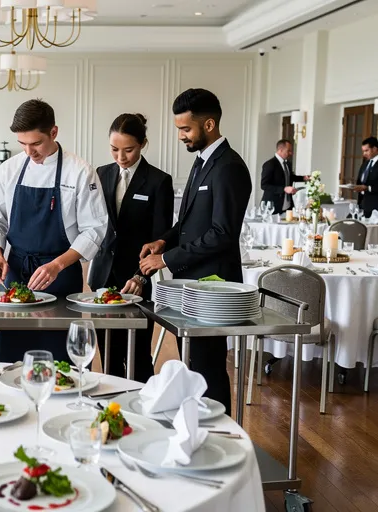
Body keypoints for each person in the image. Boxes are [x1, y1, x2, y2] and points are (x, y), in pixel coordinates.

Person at [139, 89, 252, 413]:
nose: (180, 136)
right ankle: (195, 428)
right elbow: (189, 222)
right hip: (193, 285)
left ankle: (221, 435)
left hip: (215, 287)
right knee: (193, 363)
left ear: (210, 124)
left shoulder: (229, 166)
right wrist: (165, 240)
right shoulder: (202, 162)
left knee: (209, 367)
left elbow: (222, 234)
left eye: (185, 129)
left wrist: (166, 259)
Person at [0, 99, 108, 363]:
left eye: (36, 143)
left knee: (59, 362)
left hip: (60, 274)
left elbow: (94, 230)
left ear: (54, 132)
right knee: (12, 359)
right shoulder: (9, 170)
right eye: (22, 144)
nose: (29, 151)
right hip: (16, 272)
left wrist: (57, 265)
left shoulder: (80, 172)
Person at [88, 113, 173, 382]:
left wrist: (140, 275)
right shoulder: (100, 174)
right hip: (103, 275)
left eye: (128, 149)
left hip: (139, 277)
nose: (121, 157)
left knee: (138, 356)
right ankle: (111, 412)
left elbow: (160, 237)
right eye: (114, 149)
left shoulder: (159, 181)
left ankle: (144, 413)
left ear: (143, 144)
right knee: (108, 355)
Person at [353, 136, 378, 218]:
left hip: (376, 206)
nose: (364, 154)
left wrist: (368, 188)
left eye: (366, 150)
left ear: (375, 149)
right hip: (362, 204)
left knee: (374, 230)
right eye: (363, 151)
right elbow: (361, 181)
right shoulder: (365, 164)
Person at [260, 139, 303, 214]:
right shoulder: (269, 164)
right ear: (280, 150)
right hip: (272, 205)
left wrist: (304, 178)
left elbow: (290, 177)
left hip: (288, 205)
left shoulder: (287, 164)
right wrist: (284, 189)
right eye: (288, 151)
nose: (291, 153)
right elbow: (264, 185)